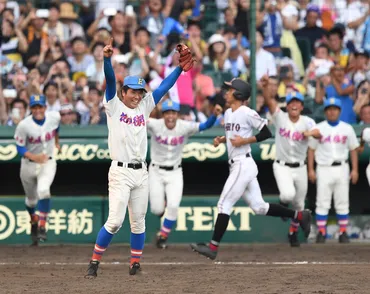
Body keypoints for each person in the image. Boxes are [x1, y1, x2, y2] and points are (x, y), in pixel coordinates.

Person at [85, 40, 195, 278]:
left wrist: (177, 69)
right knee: (114, 222)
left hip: (141, 172)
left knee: (139, 222)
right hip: (120, 171)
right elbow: (111, 80)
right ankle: (94, 261)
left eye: (140, 91)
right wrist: (106, 60)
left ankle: (135, 264)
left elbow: (164, 87)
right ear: (124, 92)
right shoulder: (114, 105)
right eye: (133, 91)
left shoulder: (144, 107)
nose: (137, 95)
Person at [190, 78, 312, 260]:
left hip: (243, 163)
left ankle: (213, 247)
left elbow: (266, 132)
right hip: (238, 164)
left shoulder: (247, 112)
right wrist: (222, 140)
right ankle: (299, 215)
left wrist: (244, 141)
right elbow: (233, 134)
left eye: (230, 90)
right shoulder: (230, 113)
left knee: (224, 204)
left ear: (238, 94)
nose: (226, 92)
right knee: (259, 207)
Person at [148, 99, 223, 249]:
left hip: (175, 171)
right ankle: (161, 207)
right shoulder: (154, 124)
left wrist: (214, 116)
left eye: (173, 113)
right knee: (156, 210)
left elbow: (205, 125)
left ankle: (163, 235)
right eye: (167, 113)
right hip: (155, 171)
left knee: (174, 206)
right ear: (163, 115)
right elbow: (136, 120)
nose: (170, 116)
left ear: (178, 115)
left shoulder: (185, 126)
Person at [260, 75, 320, 247]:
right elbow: (269, 101)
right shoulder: (281, 117)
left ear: (301, 106)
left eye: (297, 102)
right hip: (282, 165)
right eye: (291, 102)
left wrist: (307, 134)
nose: (294, 105)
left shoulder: (307, 121)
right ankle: (283, 207)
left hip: (300, 167)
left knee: (300, 204)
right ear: (287, 105)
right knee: (288, 195)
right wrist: (265, 87)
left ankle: (292, 233)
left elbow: (318, 133)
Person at [308, 98, 359, 244]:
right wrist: (310, 169)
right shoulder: (319, 128)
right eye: (329, 109)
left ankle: (343, 232)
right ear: (325, 111)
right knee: (322, 202)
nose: (332, 111)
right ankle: (322, 232)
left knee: (342, 201)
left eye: (334, 109)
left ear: (339, 111)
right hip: (324, 168)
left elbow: (353, 149)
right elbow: (311, 150)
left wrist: (355, 169)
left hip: (342, 167)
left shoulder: (347, 128)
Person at [13, 95, 61, 246]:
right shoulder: (23, 125)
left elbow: (56, 129)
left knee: (44, 190)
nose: (38, 110)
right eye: (35, 107)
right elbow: (19, 147)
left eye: (40, 107)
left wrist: (57, 143)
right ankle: (33, 219)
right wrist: (34, 157)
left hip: (48, 161)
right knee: (31, 200)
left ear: (45, 107)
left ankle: (42, 226)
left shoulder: (54, 117)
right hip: (28, 163)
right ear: (31, 109)